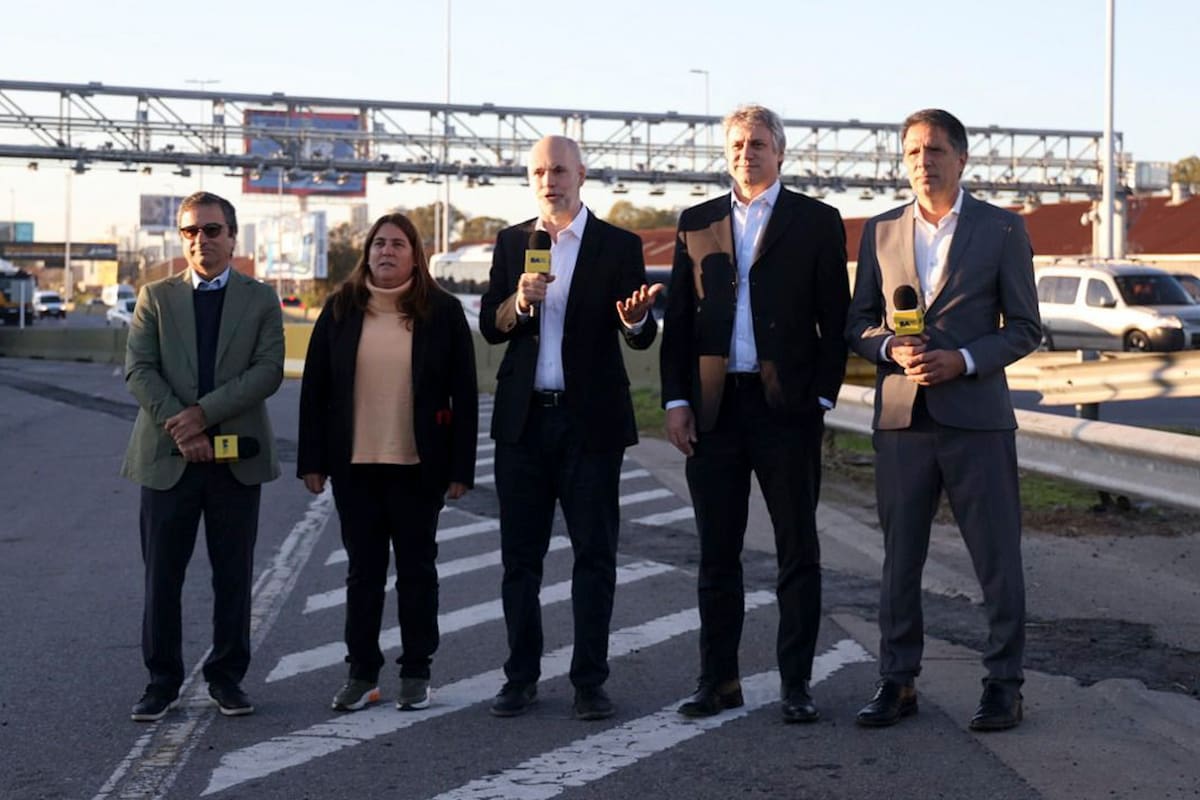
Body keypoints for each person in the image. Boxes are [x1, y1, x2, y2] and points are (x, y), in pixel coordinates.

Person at [845, 108, 1042, 732]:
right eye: (911, 153)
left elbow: (1028, 329)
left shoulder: (1003, 230)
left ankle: (1004, 686)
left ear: (961, 158)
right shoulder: (879, 232)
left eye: (934, 150)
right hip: (903, 421)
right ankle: (897, 682)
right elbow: (858, 325)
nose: (922, 162)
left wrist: (963, 358)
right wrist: (887, 349)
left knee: (996, 561)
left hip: (977, 421)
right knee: (900, 560)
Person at [660, 104, 850, 723]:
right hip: (715, 413)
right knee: (717, 553)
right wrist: (678, 401)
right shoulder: (697, 222)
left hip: (785, 411)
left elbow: (836, 320)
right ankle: (718, 680)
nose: (747, 153)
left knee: (798, 550)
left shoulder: (817, 222)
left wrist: (821, 396)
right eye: (738, 143)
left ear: (781, 152)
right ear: (727, 151)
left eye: (760, 143)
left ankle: (796, 682)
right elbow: (680, 327)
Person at [479, 134, 661, 721]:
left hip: (591, 425)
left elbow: (639, 329)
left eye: (559, 169)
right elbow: (492, 324)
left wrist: (635, 323)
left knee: (595, 556)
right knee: (520, 561)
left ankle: (589, 681)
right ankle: (520, 676)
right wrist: (520, 302)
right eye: (538, 171)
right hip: (524, 424)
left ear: (582, 175)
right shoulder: (513, 243)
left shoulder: (617, 244)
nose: (548, 179)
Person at [298, 213, 478, 712]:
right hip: (355, 466)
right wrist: (311, 460)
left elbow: (464, 392)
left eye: (398, 244)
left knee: (418, 571)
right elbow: (314, 390)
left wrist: (462, 468)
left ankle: (416, 671)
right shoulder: (340, 309)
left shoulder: (441, 312)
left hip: (418, 466)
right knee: (363, 574)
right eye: (379, 243)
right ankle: (362, 674)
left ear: (414, 254)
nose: (387, 252)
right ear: (367, 253)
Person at [122, 191, 284, 721]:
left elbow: (267, 371)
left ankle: (227, 677)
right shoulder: (155, 297)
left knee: (233, 575)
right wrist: (183, 426)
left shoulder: (260, 299)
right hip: (168, 459)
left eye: (212, 231)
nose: (201, 241)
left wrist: (203, 415)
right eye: (191, 232)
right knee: (161, 578)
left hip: (234, 462)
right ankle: (161, 682)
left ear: (233, 237)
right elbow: (139, 369)